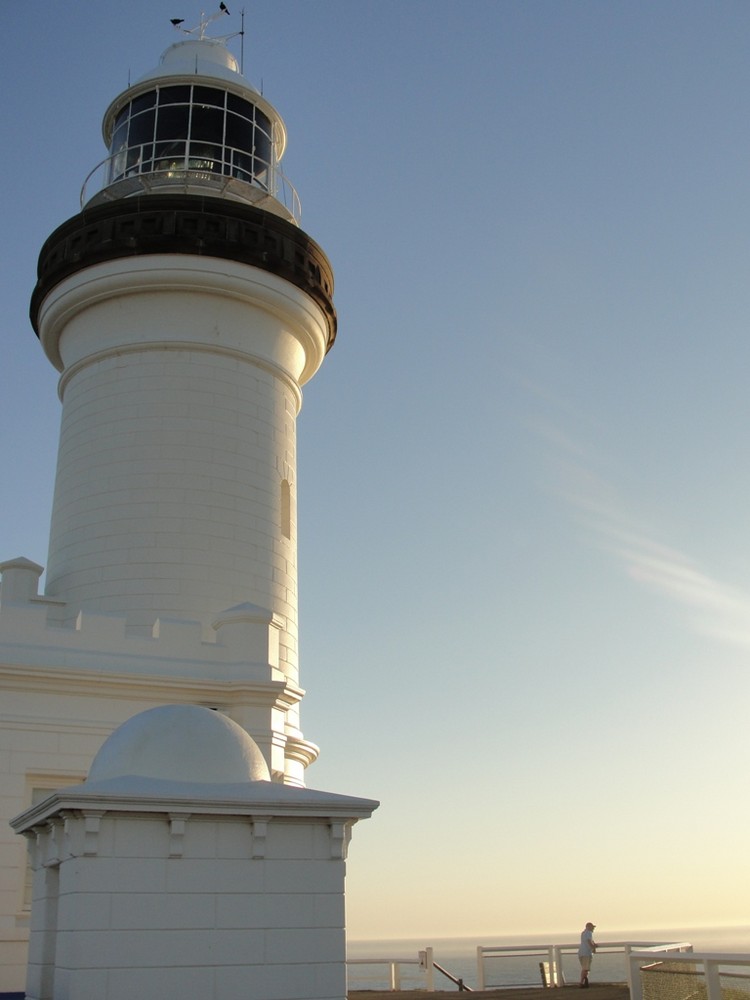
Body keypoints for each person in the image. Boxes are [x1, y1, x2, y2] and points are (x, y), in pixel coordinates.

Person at [578, 921, 597, 987]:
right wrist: (593, 948)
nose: (593, 929)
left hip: (581, 952)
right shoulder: (588, 933)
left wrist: (593, 944)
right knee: (585, 969)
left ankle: (584, 982)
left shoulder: (583, 933)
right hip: (586, 953)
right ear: (589, 927)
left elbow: (590, 941)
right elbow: (589, 941)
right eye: (592, 927)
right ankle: (581, 983)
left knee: (585, 968)